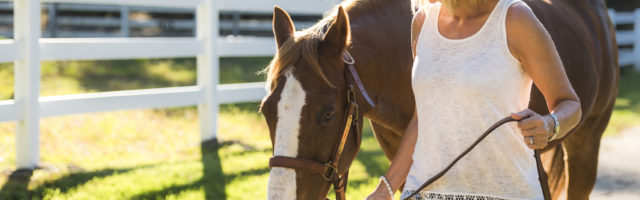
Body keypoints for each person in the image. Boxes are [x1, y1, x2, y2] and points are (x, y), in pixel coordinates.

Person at [365, 0, 582, 199]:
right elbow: (422, 119)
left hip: (506, 193)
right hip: (425, 191)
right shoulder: (422, 23)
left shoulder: (514, 19)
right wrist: (385, 189)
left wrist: (550, 124)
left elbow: (569, 103)